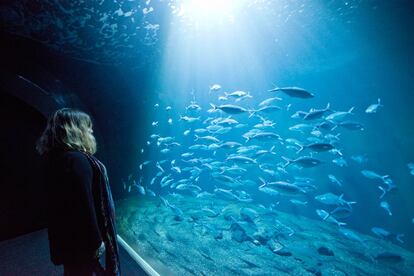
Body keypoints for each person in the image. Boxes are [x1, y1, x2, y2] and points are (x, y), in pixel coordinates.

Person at [37, 108, 120, 276]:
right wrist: (96, 242)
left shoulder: (54, 157)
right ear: (75, 130)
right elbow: (84, 205)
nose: (91, 130)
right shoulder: (77, 160)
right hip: (82, 240)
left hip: (65, 234)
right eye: (87, 126)